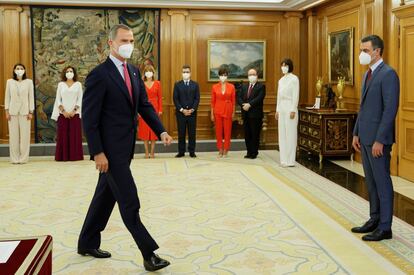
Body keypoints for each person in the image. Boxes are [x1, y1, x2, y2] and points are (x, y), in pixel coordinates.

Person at [77, 24, 173, 272]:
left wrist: (161, 130)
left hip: (125, 147)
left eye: (131, 40)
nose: (129, 44)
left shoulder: (133, 71)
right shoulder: (99, 74)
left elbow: (144, 105)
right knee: (129, 199)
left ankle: (87, 242)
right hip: (109, 152)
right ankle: (148, 253)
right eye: (124, 40)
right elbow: (89, 118)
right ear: (111, 43)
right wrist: (97, 152)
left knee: (104, 196)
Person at [351, 35, 400, 242]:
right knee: (371, 183)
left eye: (365, 50)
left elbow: (390, 110)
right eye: (361, 50)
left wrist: (380, 139)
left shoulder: (388, 74)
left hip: (379, 141)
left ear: (377, 51)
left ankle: (385, 227)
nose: (362, 54)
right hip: (365, 137)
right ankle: (374, 219)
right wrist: (356, 132)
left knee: (382, 182)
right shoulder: (367, 74)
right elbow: (363, 108)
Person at [51, 66, 84, 161]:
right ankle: (63, 156)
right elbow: (58, 99)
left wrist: (74, 111)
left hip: (75, 114)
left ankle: (75, 156)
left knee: (74, 135)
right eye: (67, 71)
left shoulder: (78, 84)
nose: (69, 72)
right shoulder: (61, 84)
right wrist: (63, 111)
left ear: (74, 73)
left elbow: (80, 99)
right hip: (63, 114)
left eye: (71, 71)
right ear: (64, 73)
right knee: (63, 135)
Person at [4, 64, 34, 164]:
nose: (19, 70)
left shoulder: (29, 82)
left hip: (25, 112)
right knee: (13, 136)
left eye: (21, 69)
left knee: (25, 136)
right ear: (14, 70)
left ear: (24, 70)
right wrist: (7, 111)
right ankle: (14, 158)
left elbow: (31, 97)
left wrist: (31, 111)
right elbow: (7, 97)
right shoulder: (9, 82)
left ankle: (23, 158)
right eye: (18, 68)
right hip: (12, 112)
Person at [275, 59, 299, 167]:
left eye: (285, 65)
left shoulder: (294, 79)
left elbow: (295, 95)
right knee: (282, 134)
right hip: (282, 107)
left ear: (289, 66)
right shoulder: (280, 80)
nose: (283, 67)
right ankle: (283, 159)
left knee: (290, 134)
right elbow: (278, 97)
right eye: (282, 65)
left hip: (290, 107)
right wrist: (277, 110)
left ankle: (290, 160)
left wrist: (293, 109)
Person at [237, 68, 266, 159]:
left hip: (255, 115)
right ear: (248, 76)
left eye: (253, 74)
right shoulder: (244, 86)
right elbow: (239, 97)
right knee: (247, 134)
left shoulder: (261, 86)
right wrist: (243, 105)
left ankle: (254, 152)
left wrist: (249, 104)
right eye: (250, 75)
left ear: (257, 76)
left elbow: (260, 98)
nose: (251, 76)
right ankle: (249, 152)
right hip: (245, 114)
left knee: (255, 134)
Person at [173, 65, 200, 158]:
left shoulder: (195, 85)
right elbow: (175, 99)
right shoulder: (177, 84)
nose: (185, 74)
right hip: (181, 113)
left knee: (192, 133)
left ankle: (192, 151)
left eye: (187, 72)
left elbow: (197, 99)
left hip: (192, 113)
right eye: (184, 72)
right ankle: (181, 152)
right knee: (181, 133)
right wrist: (182, 110)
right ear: (181, 73)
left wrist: (192, 109)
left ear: (190, 73)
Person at [137, 65, 163, 159]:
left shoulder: (157, 83)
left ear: (153, 73)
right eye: (147, 71)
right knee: (144, 131)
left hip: (154, 109)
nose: (148, 73)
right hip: (143, 109)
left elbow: (160, 98)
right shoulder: (141, 83)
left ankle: (152, 152)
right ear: (144, 73)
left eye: (150, 71)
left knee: (153, 131)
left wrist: (160, 110)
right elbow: (138, 98)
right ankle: (146, 152)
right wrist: (138, 111)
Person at [211, 67, 235, 157]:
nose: (223, 77)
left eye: (225, 75)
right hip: (217, 111)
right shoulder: (214, 87)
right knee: (218, 131)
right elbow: (212, 101)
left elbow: (233, 101)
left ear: (227, 76)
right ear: (219, 76)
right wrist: (212, 114)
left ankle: (226, 149)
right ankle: (220, 149)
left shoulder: (232, 86)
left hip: (228, 111)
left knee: (227, 131)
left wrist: (233, 113)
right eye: (221, 75)